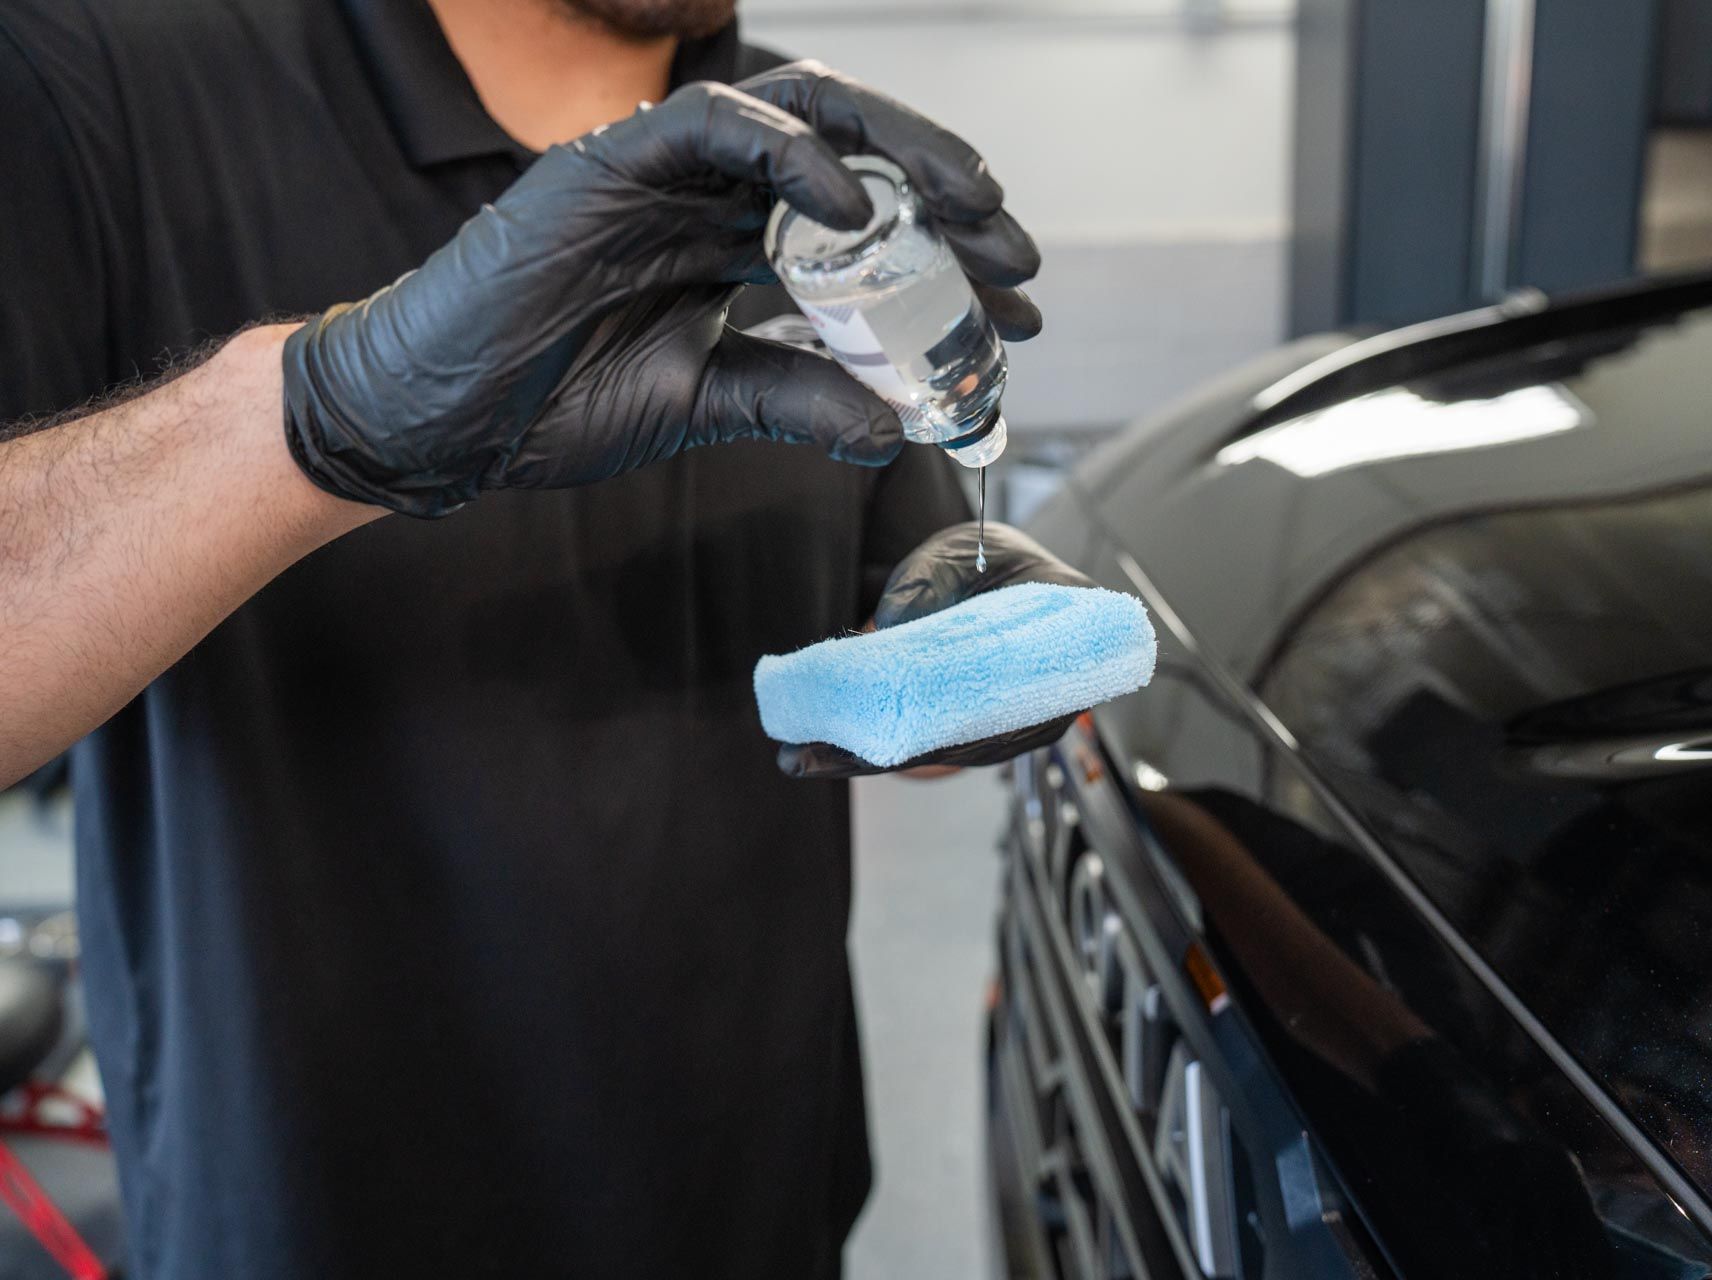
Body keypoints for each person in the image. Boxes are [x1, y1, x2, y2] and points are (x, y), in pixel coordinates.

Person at [0, 2, 1069, 1274]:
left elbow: (886, 619)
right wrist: (311, 422)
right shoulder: (104, 67)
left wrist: (978, 657)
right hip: (320, 1219)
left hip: (752, 1196)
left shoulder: (810, 167)